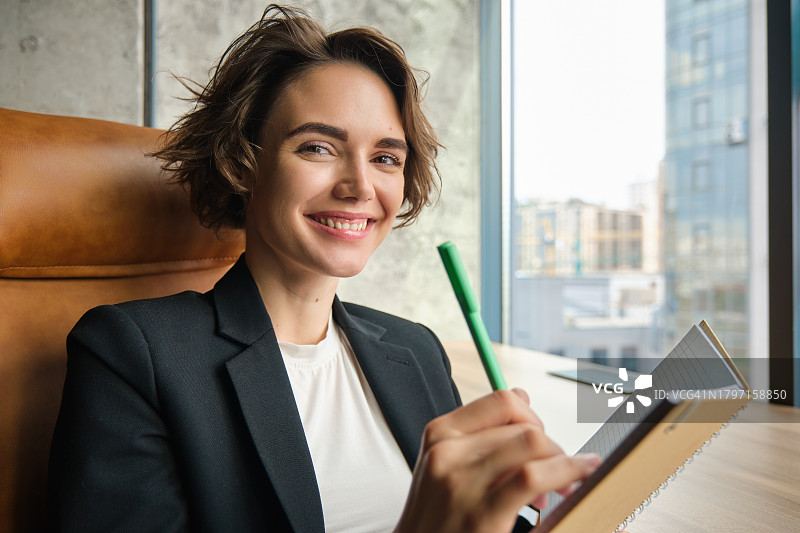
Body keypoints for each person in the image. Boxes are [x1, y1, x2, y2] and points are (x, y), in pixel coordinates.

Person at [46, 4, 600, 532]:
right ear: (243, 162)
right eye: (318, 148)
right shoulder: (131, 354)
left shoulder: (417, 351)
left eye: (386, 158)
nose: (360, 186)